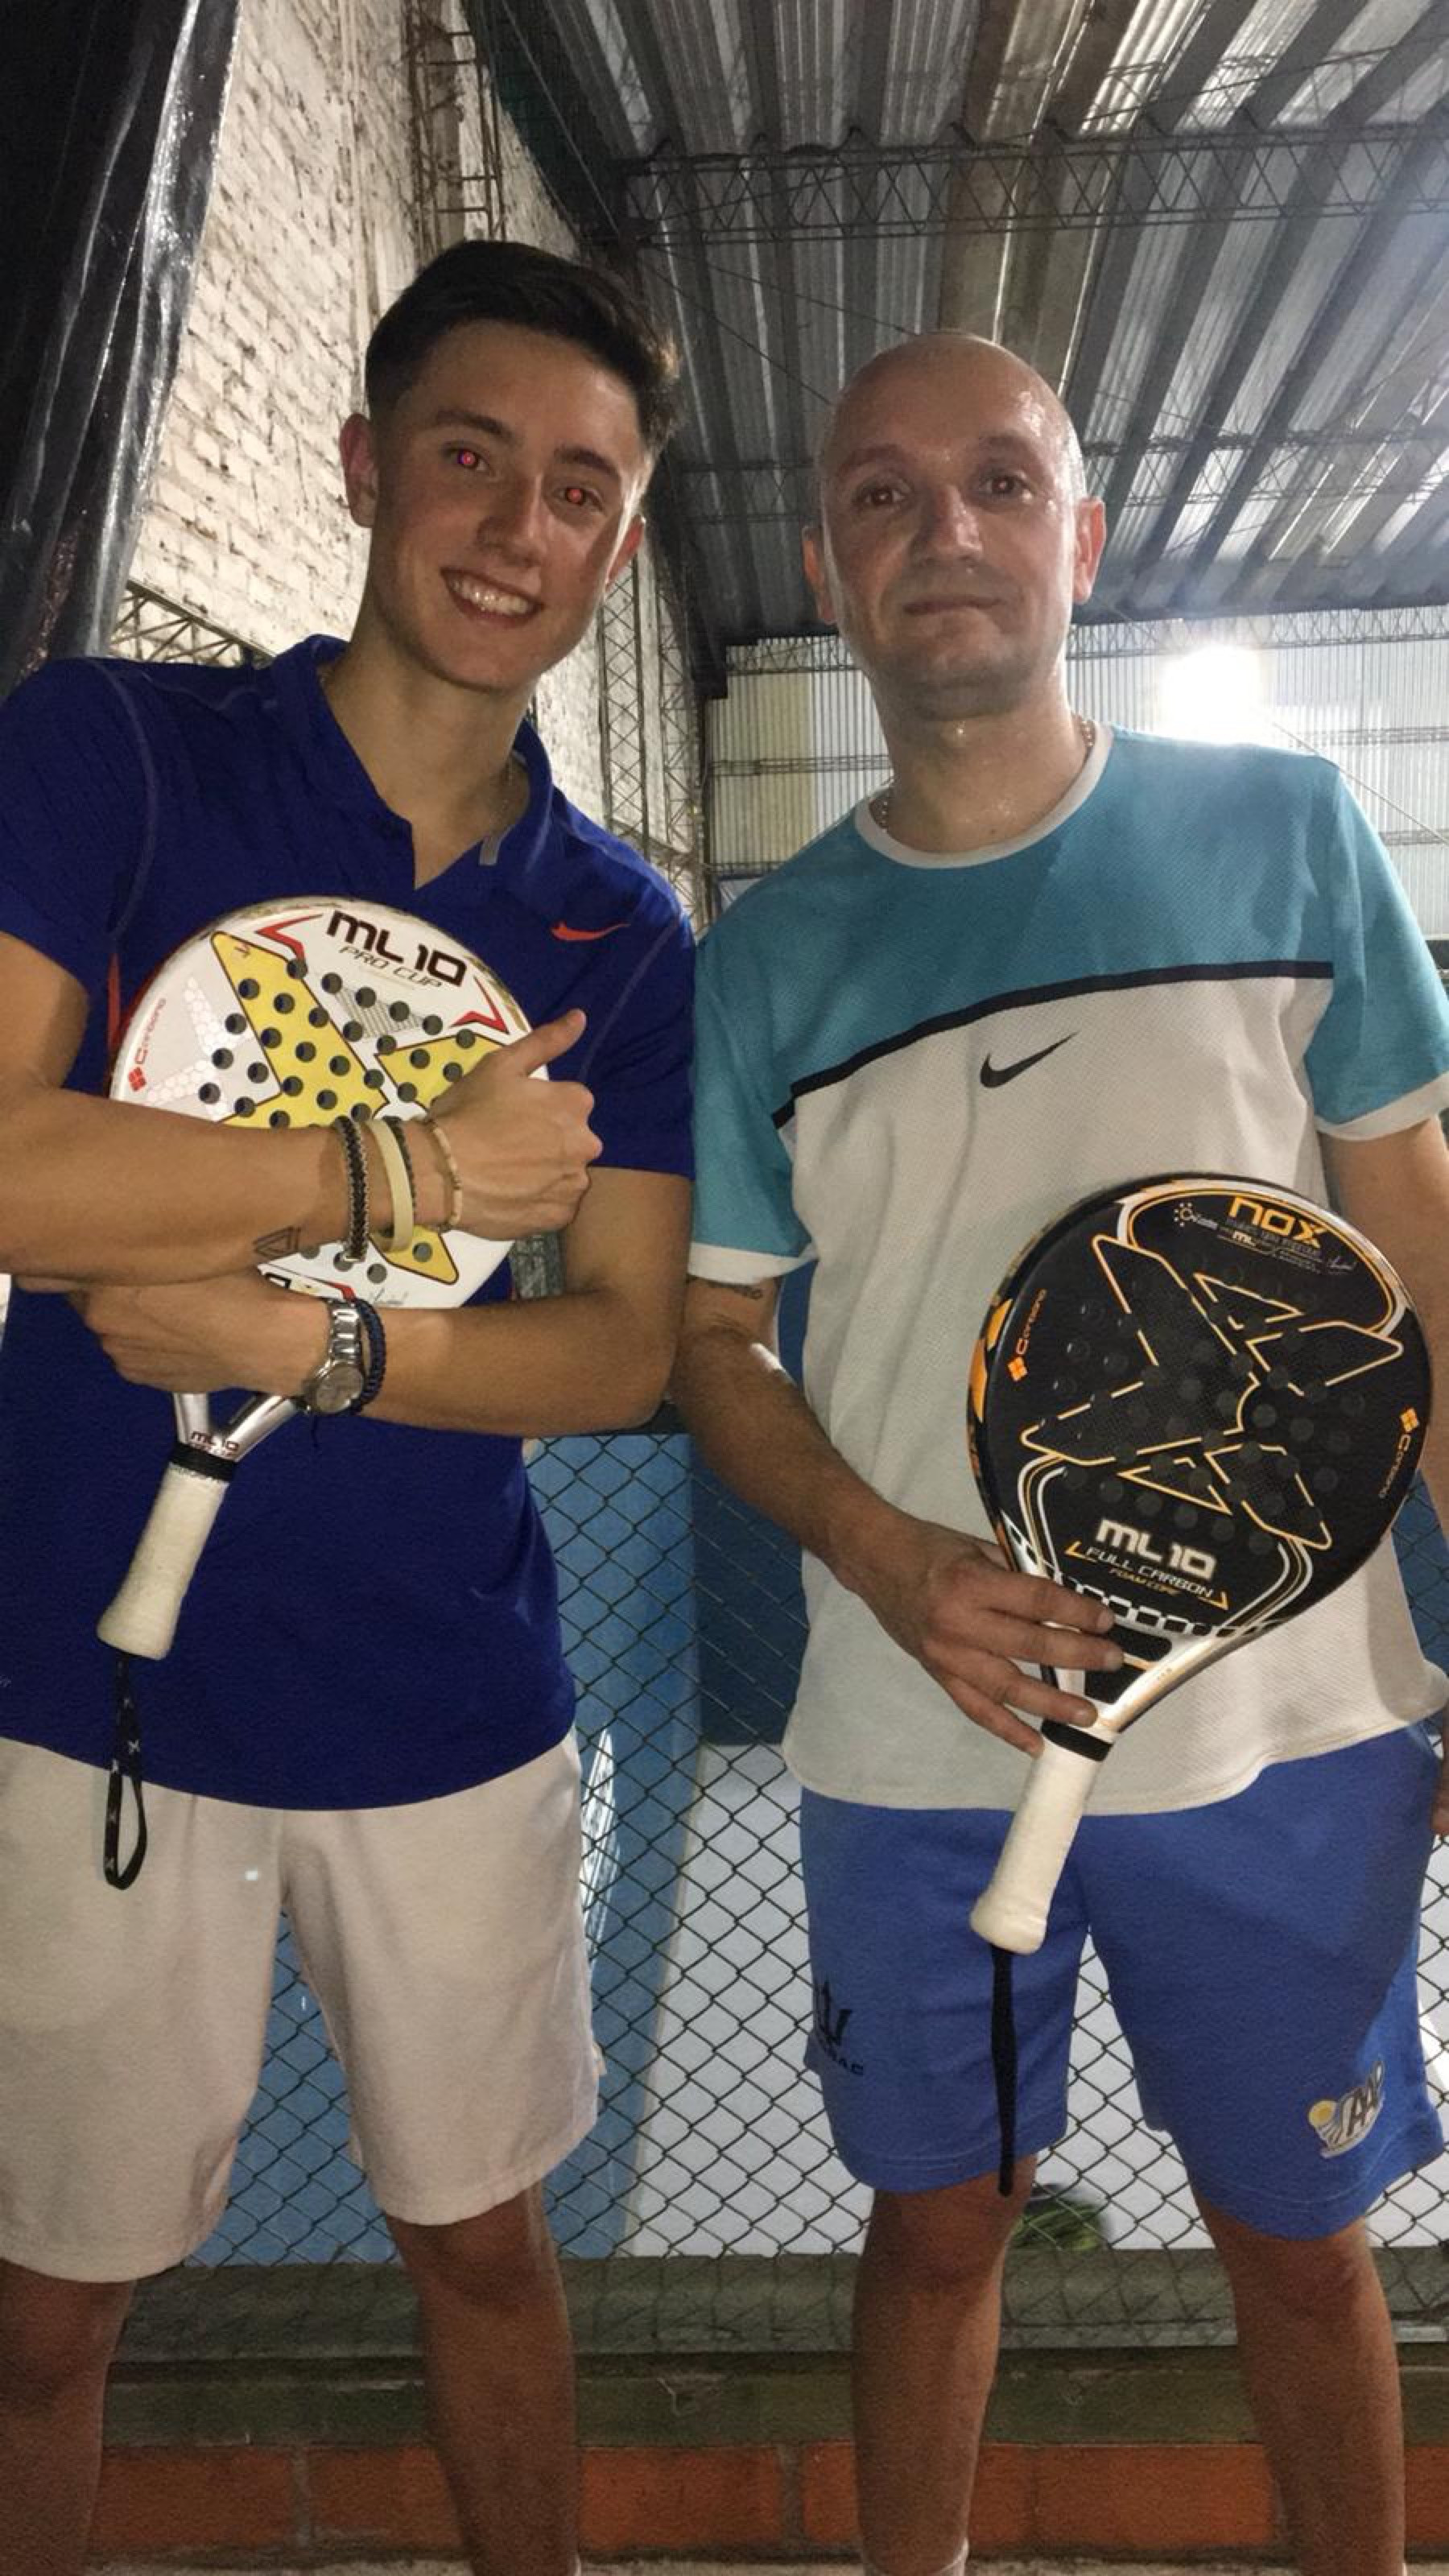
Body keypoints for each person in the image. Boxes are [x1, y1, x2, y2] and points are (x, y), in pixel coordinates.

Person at [673, 332, 1449, 2576]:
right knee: (938, 2233)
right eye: (886, 495)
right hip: (914, 1725)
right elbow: (714, 1345)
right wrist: (891, 1558)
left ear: (1082, 537)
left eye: (1001, 483)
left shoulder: (1287, 829)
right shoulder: (766, 960)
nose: (949, 532)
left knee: (1296, 2242)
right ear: (824, 560)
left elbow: (1417, 1253)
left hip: (1289, 1728)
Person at [0, 238, 693, 2576]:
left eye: (579, 492)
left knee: (487, 2258)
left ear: (620, 550)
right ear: (365, 463)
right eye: (472, 459)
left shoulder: (622, 930)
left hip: (445, 1707)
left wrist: (321, 1342)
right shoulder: (112, 748)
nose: (517, 529)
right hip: (78, 1691)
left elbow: (619, 1348)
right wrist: (392, 1173)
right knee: (45, 2316)